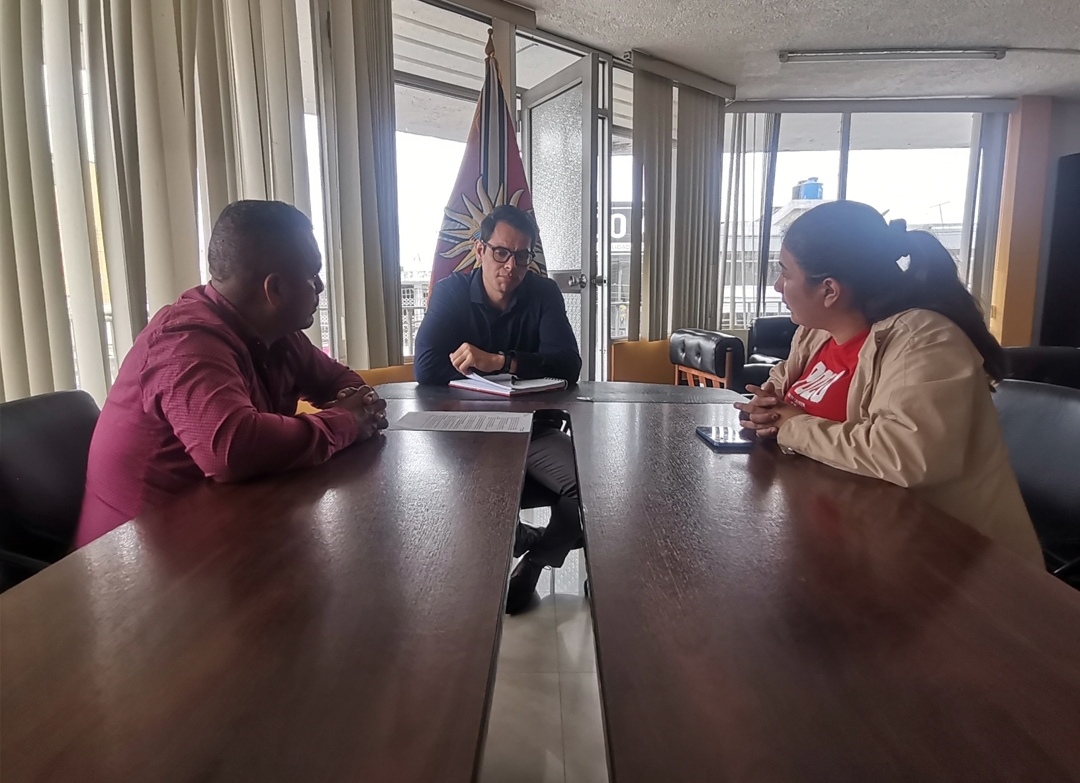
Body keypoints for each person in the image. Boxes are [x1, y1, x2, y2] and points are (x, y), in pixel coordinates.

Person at [735, 200, 1042, 567]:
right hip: (849, 535)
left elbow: (906, 455)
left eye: (786, 273)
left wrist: (791, 426)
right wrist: (764, 410)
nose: (777, 285)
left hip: (949, 565)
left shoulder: (923, 339)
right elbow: (781, 391)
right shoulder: (815, 334)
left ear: (829, 290)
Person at [76, 200, 387, 547]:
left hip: (222, 532)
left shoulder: (280, 335)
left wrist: (358, 407)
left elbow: (342, 383)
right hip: (132, 560)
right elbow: (232, 449)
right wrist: (346, 422)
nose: (321, 286)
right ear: (275, 289)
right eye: (312, 275)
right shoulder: (184, 341)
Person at [414, 204, 583, 613]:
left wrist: (501, 361)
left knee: (588, 484)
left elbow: (569, 364)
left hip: (534, 428)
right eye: (501, 252)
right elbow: (426, 366)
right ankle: (519, 538)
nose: (511, 265)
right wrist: (495, 374)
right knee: (438, 491)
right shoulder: (453, 292)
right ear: (480, 249)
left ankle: (535, 561)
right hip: (468, 432)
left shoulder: (542, 293)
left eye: (522, 256)